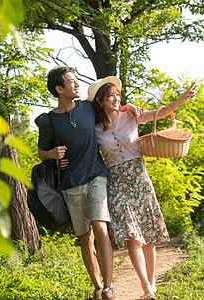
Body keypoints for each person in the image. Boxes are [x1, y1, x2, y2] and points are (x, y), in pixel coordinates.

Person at [35, 67, 139, 300]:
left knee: (101, 228)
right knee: (85, 237)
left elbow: (111, 108)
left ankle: (109, 287)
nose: (77, 84)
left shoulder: (88, 108)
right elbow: (41, 152)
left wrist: (128, 108)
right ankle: (98, 286)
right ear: (59, 89)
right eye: (71, 82)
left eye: (76, 80)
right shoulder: (49, 121)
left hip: (96, 175)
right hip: (71, 182)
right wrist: (52, 154)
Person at [87, 76, 196, 300]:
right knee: (131, 235)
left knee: (147, 232)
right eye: (111, 95)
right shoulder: (94, 129)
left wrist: (182, 99)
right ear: (100, 101)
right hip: (116, 183)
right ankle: (146, 286)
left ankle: (151, 285)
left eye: (118, 95)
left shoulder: (131, 115)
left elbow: (162, 112)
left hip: (139, 178)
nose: (116, 98)